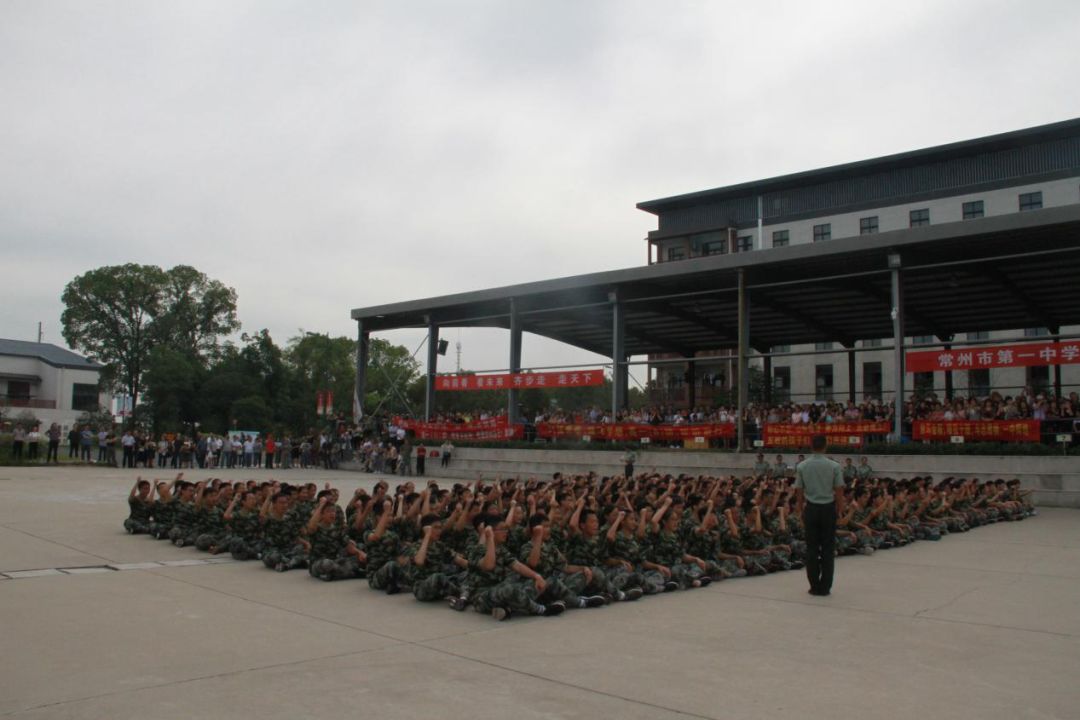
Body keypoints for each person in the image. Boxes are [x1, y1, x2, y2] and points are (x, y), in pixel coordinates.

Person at [794, 434, 845, 596]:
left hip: (811, 508)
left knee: (812, 548)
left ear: (811, 446)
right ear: (825, 446)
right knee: (828, 549)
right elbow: (839, 490)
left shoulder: (802, 466)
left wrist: (800, 509)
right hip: (828, 509)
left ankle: (814, 585)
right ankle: (825, 587)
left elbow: (799, 491)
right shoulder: (834, 466)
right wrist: (840, 509)